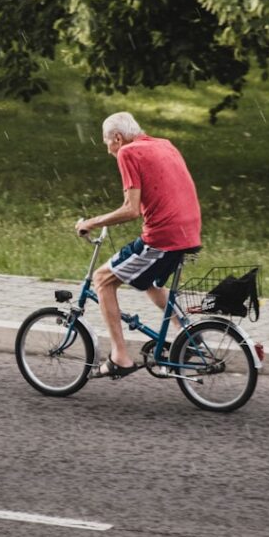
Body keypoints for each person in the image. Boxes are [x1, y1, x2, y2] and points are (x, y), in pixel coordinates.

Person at [75, 111, 202, 379]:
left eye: (107, 143)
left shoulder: (127, 152)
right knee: (151, 282)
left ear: (117, 138)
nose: (108, 150)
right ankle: (187, 334)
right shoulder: (164, 144)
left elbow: (131, 209)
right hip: (189, 232)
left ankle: (120, 357)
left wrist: (93, 222)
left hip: (163, 237)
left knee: (102, 279)